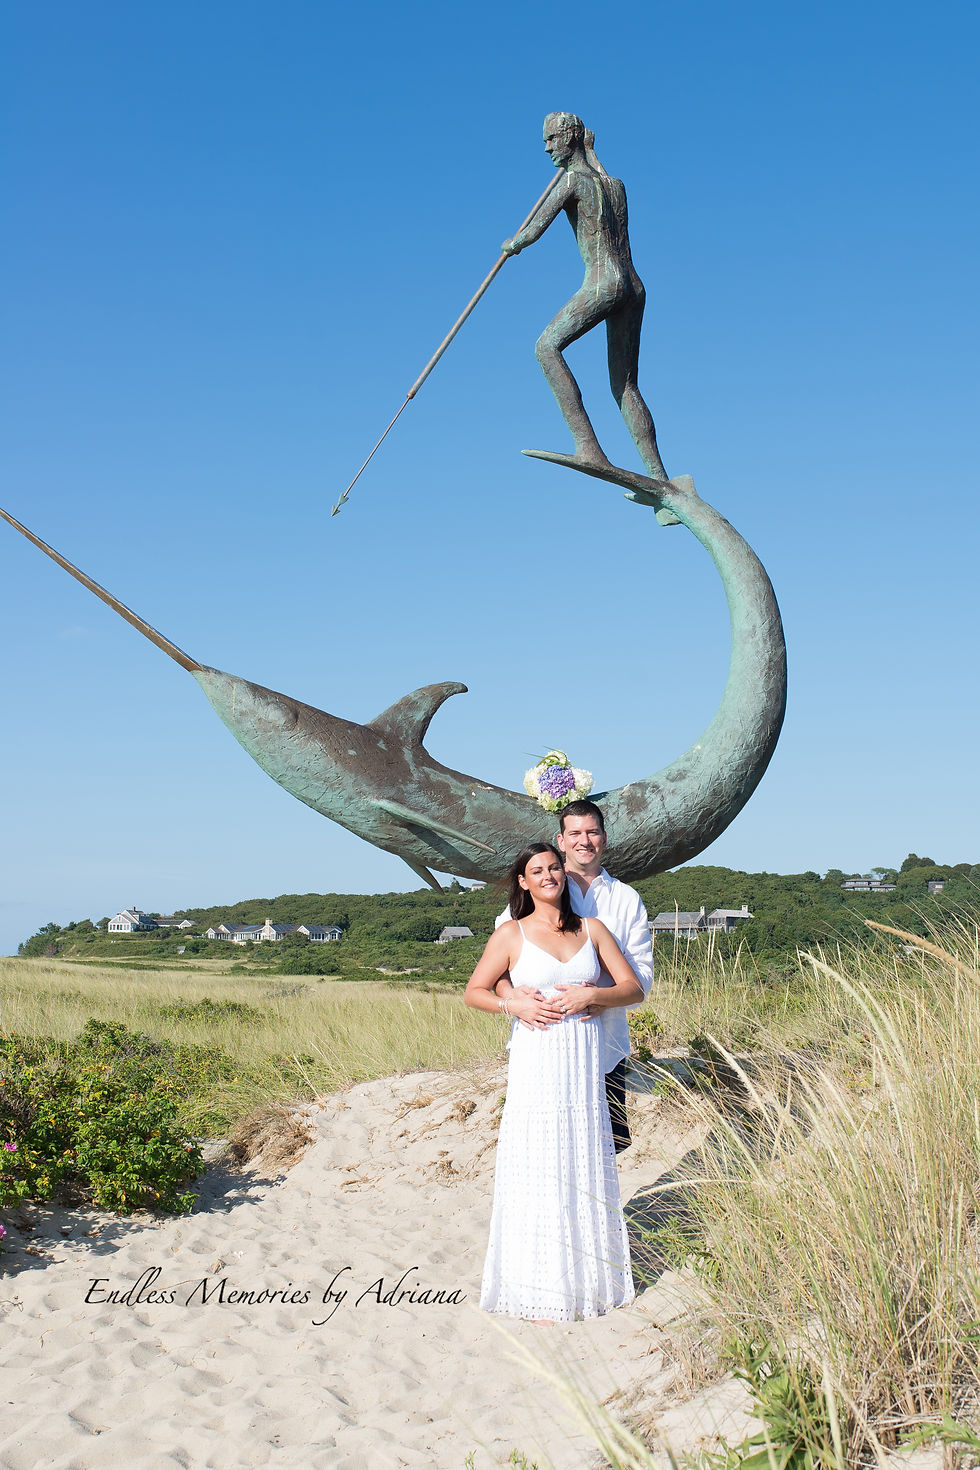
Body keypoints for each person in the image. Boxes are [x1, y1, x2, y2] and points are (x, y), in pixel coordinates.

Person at [465, 843, 643, 1321]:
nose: (548, 876)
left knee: (583, 1158)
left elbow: (633, 989)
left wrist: (594, 996)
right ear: (523, 882)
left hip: (583, 1065)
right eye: (536, 870)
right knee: (537, 1163)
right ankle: (536, 1289)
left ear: (564, 874)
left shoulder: (593, 929)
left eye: (553, 868)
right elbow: (474, 991)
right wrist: (513, 1004)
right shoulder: (511, 933)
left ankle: (589, 1285)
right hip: (536, 1062)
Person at [501, 112, 668, 482]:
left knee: (546, 348)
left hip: (603, 283)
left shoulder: (571, 181)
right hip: (633, 286)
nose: (547, 148)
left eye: (551, 139)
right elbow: (601, 176)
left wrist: (512, 244)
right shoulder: (615, 185)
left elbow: (534, 230)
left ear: (570, 137)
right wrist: (592, 151)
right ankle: (658, 474)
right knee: (625, 386)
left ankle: (588, 445)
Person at [494, 799, 653, 1153]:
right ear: (561, 840)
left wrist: (599, 997)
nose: (584, 841)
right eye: (575, 833)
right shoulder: (542, 886)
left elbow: (642, 975)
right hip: (543, 1042)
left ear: (604, 839)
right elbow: (500, 967)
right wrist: (514, 999)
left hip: (605, 1043)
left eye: (592, 832)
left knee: (604, 1146)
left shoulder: (626, 899)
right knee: (546, 1143)